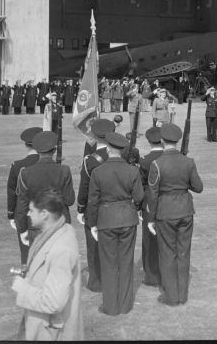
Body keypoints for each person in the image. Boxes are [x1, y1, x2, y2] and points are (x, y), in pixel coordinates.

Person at [11, 188, 83, 341]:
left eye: (31, 210)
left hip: (51, 332)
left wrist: (22, 287)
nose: (28, 214)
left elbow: (53, 303)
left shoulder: (61, 249)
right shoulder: (57, 232)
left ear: (44, 214)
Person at [146, 123, 204, 306]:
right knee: (183, 252)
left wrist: (151, 218)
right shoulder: (188, 162)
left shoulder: (157, 164)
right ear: (177, 141)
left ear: (162, 141)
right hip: (185, 211)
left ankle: (171, 295)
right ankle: (182, 294)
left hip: (165, 212)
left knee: (167, 253)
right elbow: (198, 187)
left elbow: (153, 194)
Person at [87, 132, 144, 316]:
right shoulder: (132, 170)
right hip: (127, 219)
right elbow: (139, 197)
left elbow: (93, 202)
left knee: (109, 263)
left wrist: (93, 224)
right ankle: (125, 304)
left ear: (109, 149)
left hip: (106, 220)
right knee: (126, 262)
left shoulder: (98, 171)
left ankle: (111, 306)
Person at [15, 131, 75, 249]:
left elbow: (22, 204)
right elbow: (70, 200)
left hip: (37, 224)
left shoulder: (25, 173)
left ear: (37, 151)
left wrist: (22, 229)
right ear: (54, 150)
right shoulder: (64, 170)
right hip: (60, 223)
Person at [77, 118, 114, 292]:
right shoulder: (123, 156)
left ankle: (96, 281)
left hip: (96, 208)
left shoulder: (90, 161)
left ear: (94, 136)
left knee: (94, 246)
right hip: (117, 208)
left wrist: (80, 209)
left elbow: (84, 188)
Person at [7, 127, 43, 266]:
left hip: (24, 214)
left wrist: (11, 214)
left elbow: (11, 192)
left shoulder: (17, 166)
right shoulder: (50, 165)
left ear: (25, 144)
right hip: (45, 214)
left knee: (26, 251)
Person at [139, 127, 164, 286]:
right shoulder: (171, 158)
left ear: (148, 141)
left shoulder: (145, 160)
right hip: (168, 203)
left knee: (149, 240)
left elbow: (140, 186)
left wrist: (140, 207)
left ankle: (151, 276)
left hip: (149, 203)